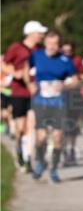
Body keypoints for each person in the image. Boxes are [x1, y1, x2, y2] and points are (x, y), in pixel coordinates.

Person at [30, 29, 78, 182]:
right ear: (45, 43)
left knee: (57, 137)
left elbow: (75, 80)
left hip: (58, 102)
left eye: (55, 44)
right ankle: (40, 162)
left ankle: (54, 169)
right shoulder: (36, 55)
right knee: (41, 136)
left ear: (59, 45)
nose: (52, 46)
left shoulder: (65, 60)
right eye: (49, 43)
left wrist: (64, 86)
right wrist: (30, 84)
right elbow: (26, 70)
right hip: (41, 101)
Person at [3, 20, 47, 172]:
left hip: (35, 92)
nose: (42, 35)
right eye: (39, 32)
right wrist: (15, 73)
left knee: (32, 124)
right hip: (18, 91)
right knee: (20, 127)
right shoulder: (17, 47)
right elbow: (4, 64)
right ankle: (19, 151)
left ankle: (28, 157)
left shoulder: (40, 50)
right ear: (30, 33)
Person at [60, 40, 83, 165]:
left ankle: (72, 150)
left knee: (74, 125)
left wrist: (79, 80)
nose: (67, 53)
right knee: (64, 124)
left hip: (75, 96)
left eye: (69, 51)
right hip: (61, 96)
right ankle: (64, 151)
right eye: (65, 51)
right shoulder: (57, 60)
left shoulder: (76, 60)